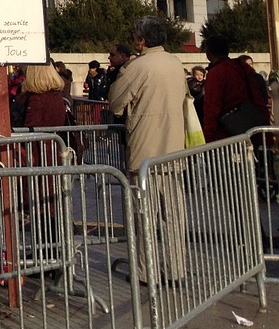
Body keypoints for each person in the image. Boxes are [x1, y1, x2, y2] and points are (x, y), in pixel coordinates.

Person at [108, 16, 188, 284]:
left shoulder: (137, 68)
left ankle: (146, 271)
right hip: (175, 148)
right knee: (173, 217)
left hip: (145, 150)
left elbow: (116, 103)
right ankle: (176, 269)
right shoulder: (177, 64)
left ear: (141, 41)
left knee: (144, 218)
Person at [201, 36, 269, 142]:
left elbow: (212, 107)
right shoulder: (241, 67)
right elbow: (257, 96)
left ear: (208, 53)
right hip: (253, 125)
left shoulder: (216, 73)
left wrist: (208, 136)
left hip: (228, 133)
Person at [19, 64, 69, 129]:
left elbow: (30, 129)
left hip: (41, 137)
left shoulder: (36, 100)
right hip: (54, 137)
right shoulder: (57, 96)